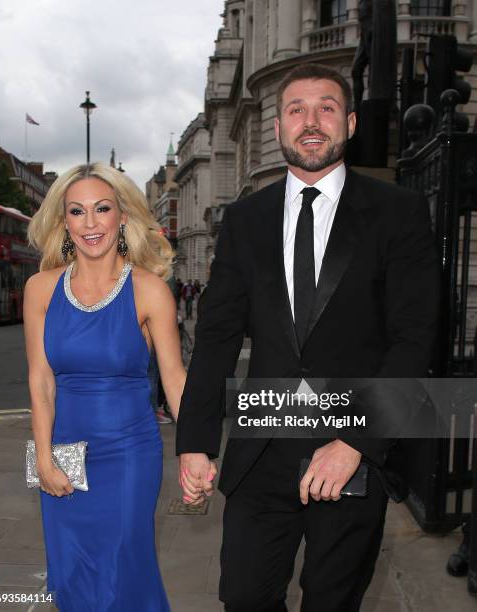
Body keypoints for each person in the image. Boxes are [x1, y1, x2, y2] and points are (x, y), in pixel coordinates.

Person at [176, 63, 440, 611]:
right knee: (244, 596)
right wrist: (197, 441)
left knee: (331, 601)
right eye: (296, 109)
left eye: (326, 108)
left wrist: (357, 445)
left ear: (348, 122)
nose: (311, 121)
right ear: (278, 127)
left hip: (349, 451)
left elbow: (414, 339)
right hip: (261, 447)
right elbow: (217, 337)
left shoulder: (399, 212)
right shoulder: (246, 220)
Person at [24, 162, 185, 611]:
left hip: (129, 454)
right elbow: (41, 381)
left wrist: (197, 450)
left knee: (122, 572)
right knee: (71, 576)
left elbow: (174, 378)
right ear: (63, 222)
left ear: (123, 217)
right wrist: (43, 457)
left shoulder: (150, 290)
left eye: (102, 209)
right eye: (77, 212)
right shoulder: (40, 288)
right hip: (63, 456)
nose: (90, 223)